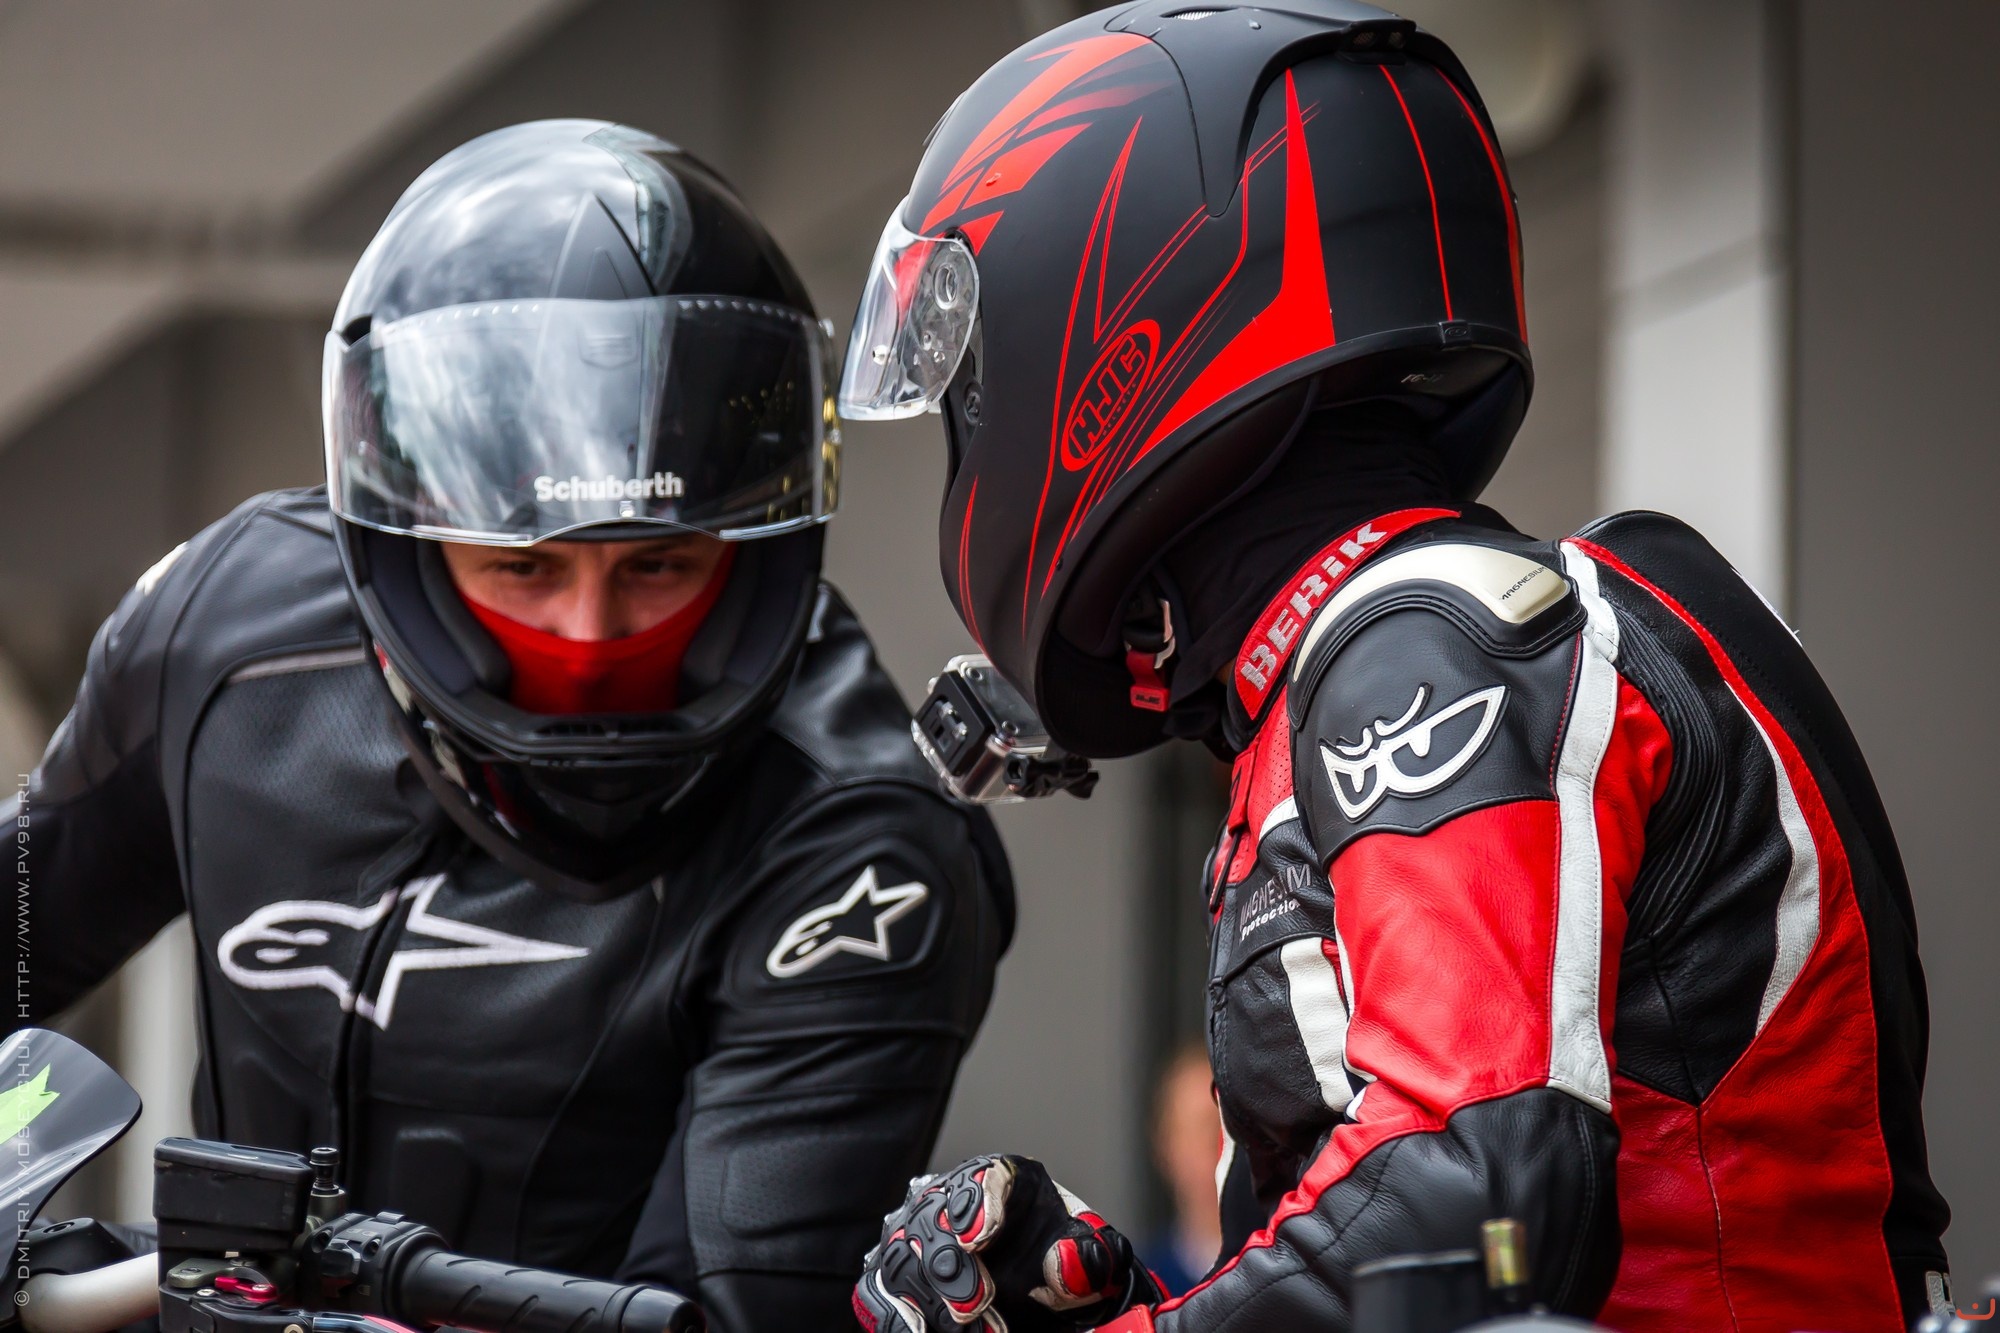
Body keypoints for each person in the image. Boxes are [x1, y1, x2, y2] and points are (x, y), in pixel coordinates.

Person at [840, 5, 1949, 1331]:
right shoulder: (1371, 651)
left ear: (1104, 332)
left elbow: (1470, 1200)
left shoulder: (1422, 642)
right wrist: (1107, 1296)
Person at [5, 120, 1013, 1333]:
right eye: (522, 566)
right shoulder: (225, 635)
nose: (588, 633)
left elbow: (721, 1318)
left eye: (656, 563)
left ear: (753, 545)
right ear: (412, 544)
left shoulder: (860, 845)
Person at [1139, 1046, 1223, 1298]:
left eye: (1231, 1126)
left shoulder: (1301, 1282)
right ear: (1166, 1146)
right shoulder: (1136, 1291)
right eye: (1203, 1128)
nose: (1221, 1144)